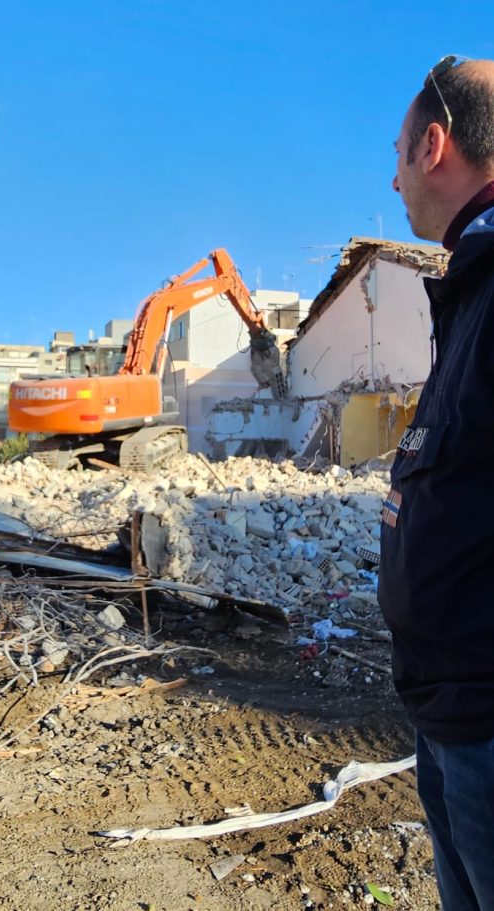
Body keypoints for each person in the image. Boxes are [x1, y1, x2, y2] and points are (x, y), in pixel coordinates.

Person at [381, 56, 494, 911]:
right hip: (449, 715)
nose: (393, 181)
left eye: (397, 155)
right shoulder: (470, 289)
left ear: (434, 144)